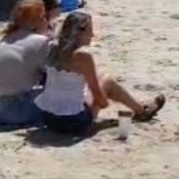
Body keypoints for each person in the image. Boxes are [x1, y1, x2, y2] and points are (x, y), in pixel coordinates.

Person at [34, 12, 166, 135]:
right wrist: (103, 101)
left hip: (49, 119)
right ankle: (141, 111)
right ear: (80, 33)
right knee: (107, 80)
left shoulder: (52, 47)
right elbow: (98, 97)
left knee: (98, 79)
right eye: (90, 31)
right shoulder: (82, 56)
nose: (92, 35)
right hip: (74, 122)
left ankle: (139, 107)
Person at [0, 0, 52, 126]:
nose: (46, 21)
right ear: (37, 20)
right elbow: (55, 74)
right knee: (65, 93)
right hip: (11, 111)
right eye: (44, 17)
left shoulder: (8, 38)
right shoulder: (40, 41)